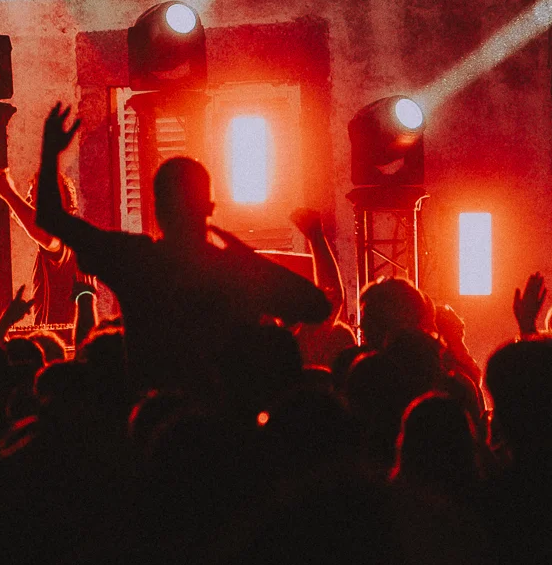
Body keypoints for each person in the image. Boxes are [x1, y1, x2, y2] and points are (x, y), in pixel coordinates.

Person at [27, 101, 331, 396]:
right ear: (210, 207)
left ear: (158, 209)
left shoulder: (137, 260)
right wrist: (250, 261)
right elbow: (318, 307)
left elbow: (51, 218)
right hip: (226, 425)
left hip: (154, 417)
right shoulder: (236, 270)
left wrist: (50, 152)